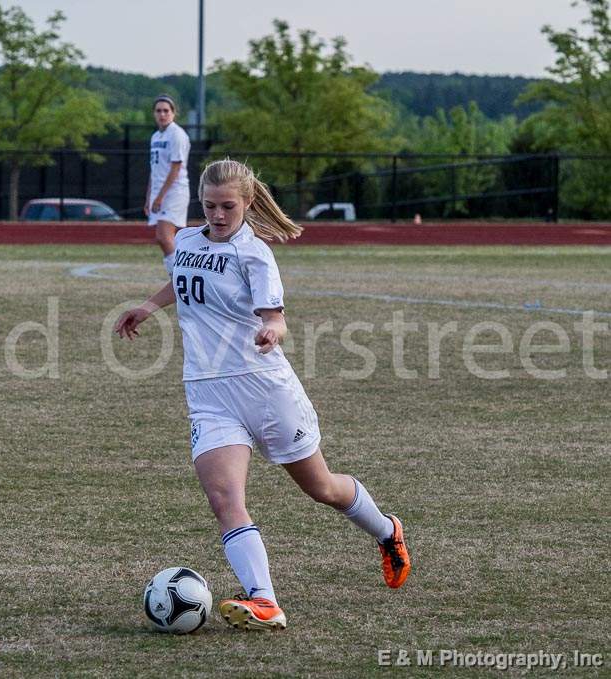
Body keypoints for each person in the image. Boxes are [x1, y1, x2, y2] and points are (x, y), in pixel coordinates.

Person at [116, 159, 410, 630]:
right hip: (208, 393)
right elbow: (183, 280)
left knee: (322, 488)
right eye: (209, 205)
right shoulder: (189, 240)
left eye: (227, 206)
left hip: (264, 388)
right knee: (224, 498)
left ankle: (386, 530)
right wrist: (148, 308)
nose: (216, 214)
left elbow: (275, 316)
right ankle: (265, 600)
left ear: (247, 203)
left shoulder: (254, 253)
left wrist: (272, 330)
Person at [144, 94, 191, 276]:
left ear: (173, 113)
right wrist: (149, 196)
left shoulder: (177, 135)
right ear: (154, 114)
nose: (162, 114)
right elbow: (154, 169)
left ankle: (180, 276)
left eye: (166, 110)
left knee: (163, 236)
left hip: (175, 191)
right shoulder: (155, 136)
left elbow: (175, 168)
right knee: (166, 238)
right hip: (159, 192)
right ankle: (178, 275)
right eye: (158, 111)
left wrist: (160, 196)